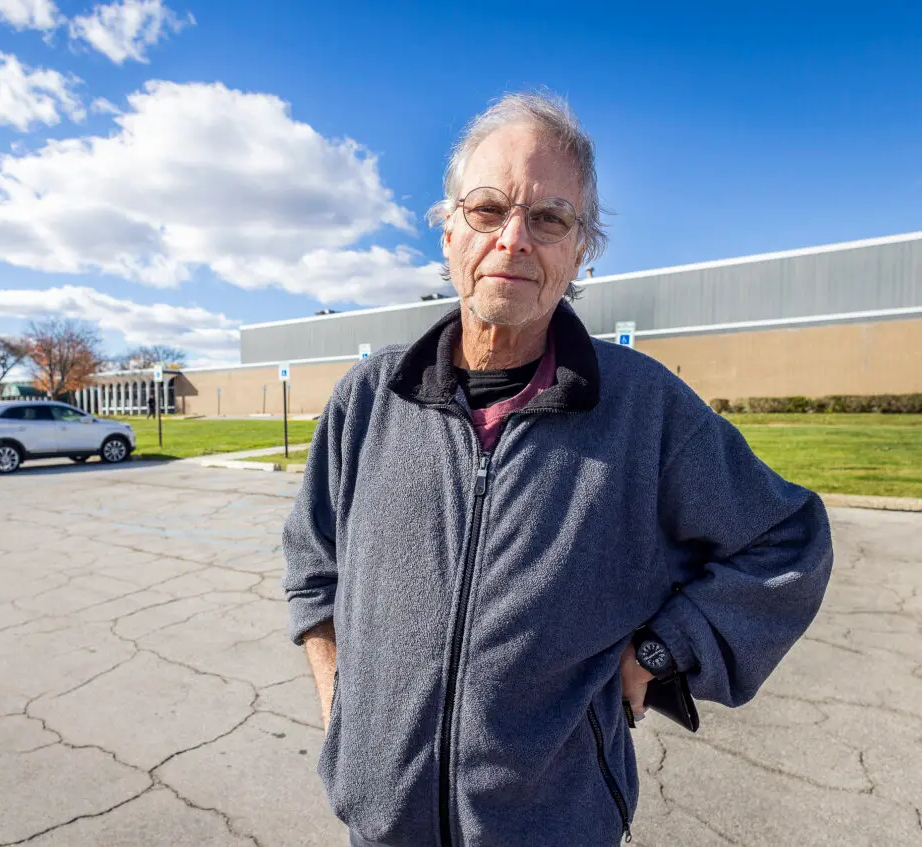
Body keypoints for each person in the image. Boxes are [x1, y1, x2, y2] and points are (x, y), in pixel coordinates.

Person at [281, 92, 833, 847]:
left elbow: (787, 540)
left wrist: (660, 652)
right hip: (379, 827)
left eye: (549, 219)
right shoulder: (369, 400)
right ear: (448, 232)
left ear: (581, 253)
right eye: (487, 210)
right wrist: (343, 711)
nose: (513, 240)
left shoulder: (645, 408)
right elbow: (314, 564)